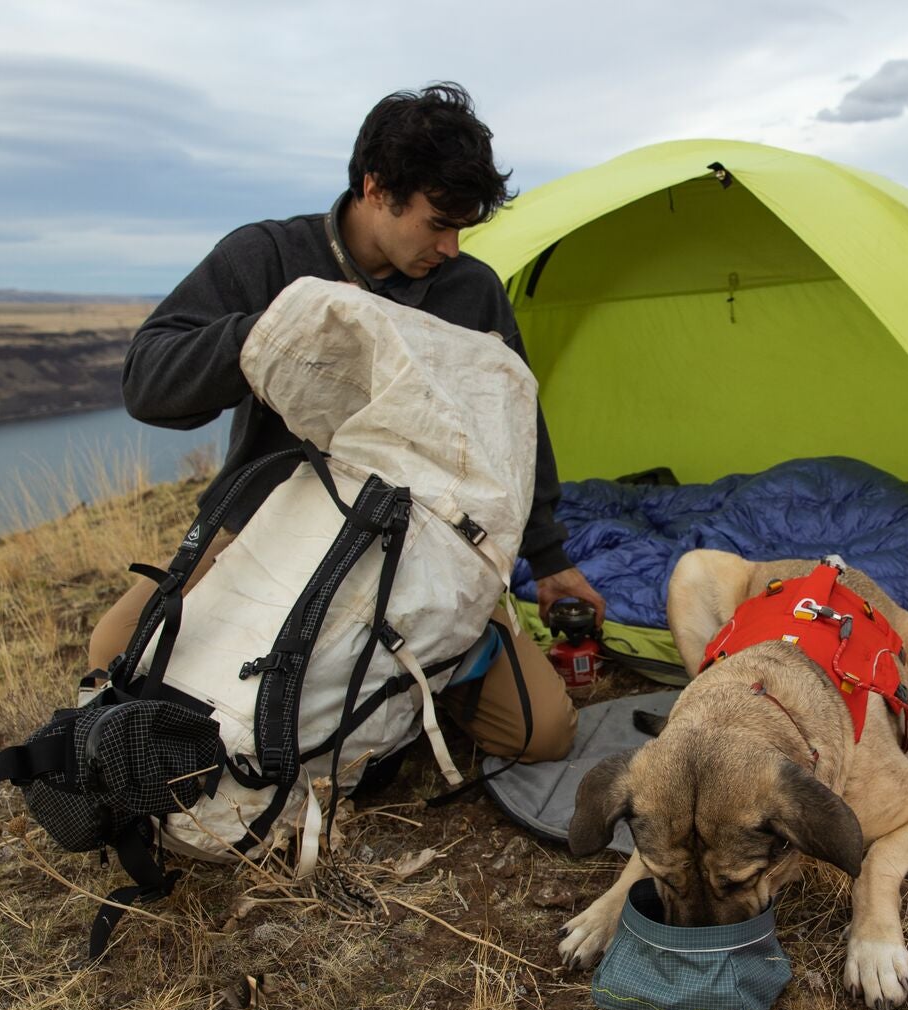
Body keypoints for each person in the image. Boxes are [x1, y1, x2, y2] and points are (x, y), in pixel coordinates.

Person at [88, 83, 601, 762]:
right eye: (437, 221)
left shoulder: (469, 290)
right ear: (375, 187)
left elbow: (512, 427)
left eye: (462, 228)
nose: (450, 246)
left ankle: (402, 686)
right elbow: (147, 381)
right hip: (268, 526)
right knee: (114, 655)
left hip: (424, 547)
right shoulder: (268, 257)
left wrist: (550, 557)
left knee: (542, 734)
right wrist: (280, 330)